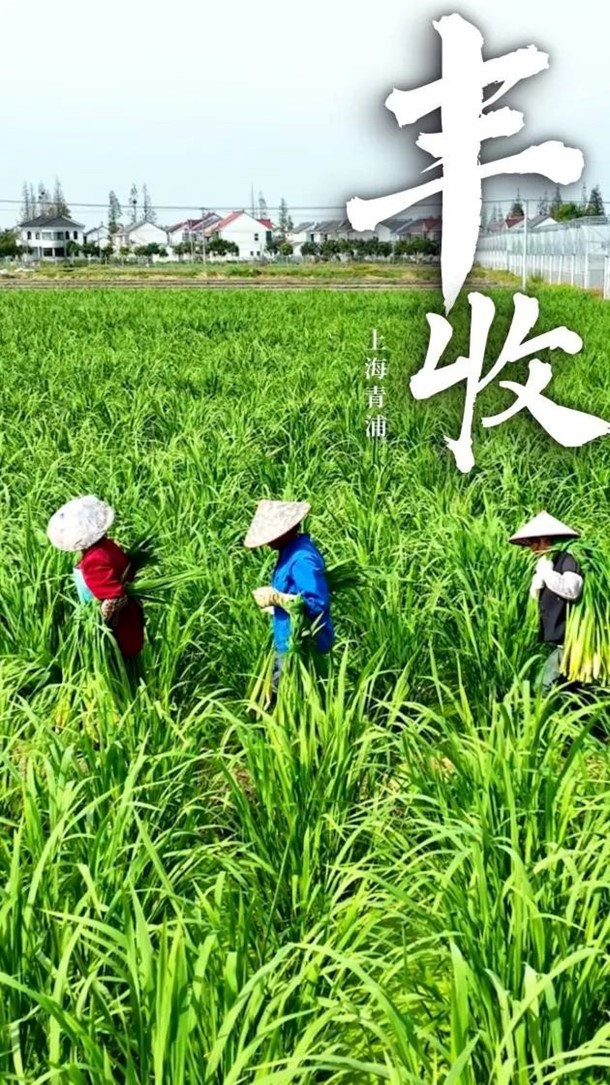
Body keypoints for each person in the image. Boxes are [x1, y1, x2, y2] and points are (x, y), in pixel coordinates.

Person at [244, 500, 334, 699]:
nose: (267, 543)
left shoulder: (302, 559)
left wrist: (278, 598)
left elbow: (317, 603)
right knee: (280, 693)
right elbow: (295, 594)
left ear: (286, 532)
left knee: (295, 699)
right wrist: (277, 607)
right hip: (286, 638)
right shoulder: (288, 553)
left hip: (302, 647)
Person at [47, 495, 145, 661]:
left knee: (118, 669)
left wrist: (97, 620)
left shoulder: (94, 561)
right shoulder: (108, 545)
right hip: (131, 619)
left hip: (117, 632)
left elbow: (115, 597)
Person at [510, 511, 583, 692]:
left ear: (546, 540)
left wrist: (547, 572)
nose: (532, 548)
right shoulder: (547, 563)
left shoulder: (568, 559)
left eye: (534, 542)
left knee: (542, 686)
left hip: (571, 641)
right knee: (572, 690)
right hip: (561, 641)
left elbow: (572, 590)